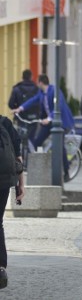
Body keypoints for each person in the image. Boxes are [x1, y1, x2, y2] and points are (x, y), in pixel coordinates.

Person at [13, 75, 74, 179]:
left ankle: (67, 172)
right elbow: (33, 100)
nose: (37, 84)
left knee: (60, 146)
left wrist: (49, 118)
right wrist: (20, 108)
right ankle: (39, 167)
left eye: (38, 82)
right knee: (37, 142)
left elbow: (59, 106)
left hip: (60, 122)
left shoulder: (55, 91)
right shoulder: (42, 93)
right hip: (49, 122)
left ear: (41, 82)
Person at [0, 112, 25, 289]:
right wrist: (20, 185)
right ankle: (0, 267)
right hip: (4, 179)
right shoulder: (5, 123)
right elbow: (18, 159)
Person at [7, 69, 40, 141]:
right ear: (31, 77)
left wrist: (17, 108)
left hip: (21, 117)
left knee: (20, 137)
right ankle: (31, 150)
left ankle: (21, 150)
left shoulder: (17, 88)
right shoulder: (37, 88)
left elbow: (10, 104)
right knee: (32, 138)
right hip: (34, 117)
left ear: (22, 77)